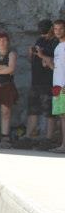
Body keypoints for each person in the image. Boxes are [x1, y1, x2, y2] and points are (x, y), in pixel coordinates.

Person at [21, 20, 55, 148]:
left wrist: (41, 55)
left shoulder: (54, 42)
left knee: (49, 111)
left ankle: (48, 139)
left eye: (44, 28)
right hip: (35, 81)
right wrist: (31, 54)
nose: (42, 30)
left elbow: (52, 62)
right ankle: (29, 137)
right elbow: (33, 60)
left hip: (49, 81)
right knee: (33, 110)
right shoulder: (39, 40)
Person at [48, 20, 65, 153]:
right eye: (55, 29)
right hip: (57, 86)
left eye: (60, 29)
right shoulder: (58, 47)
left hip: (64, 86)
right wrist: (44, 57)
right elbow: (56, 67)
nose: (58, 31)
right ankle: (63, 145)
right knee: (62, 116)